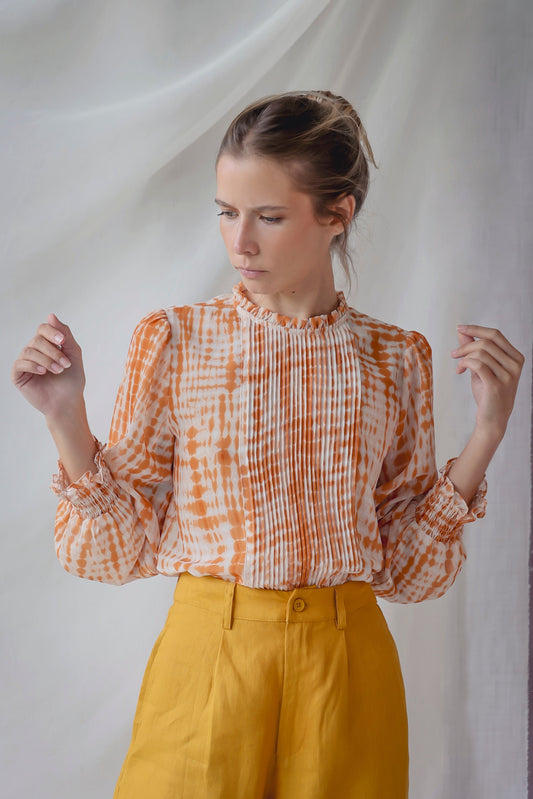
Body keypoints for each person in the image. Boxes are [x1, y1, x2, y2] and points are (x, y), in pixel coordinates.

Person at [11, 90, 524, 799]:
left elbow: (410, 572)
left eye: (268, 216)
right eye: (226, 212)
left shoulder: (394, 357)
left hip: (347, 669)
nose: (238, 241)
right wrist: (65, 416)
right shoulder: (175, 340)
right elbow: (113, 552)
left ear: (337, 212)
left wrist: (486, 435)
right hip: (209, 656)